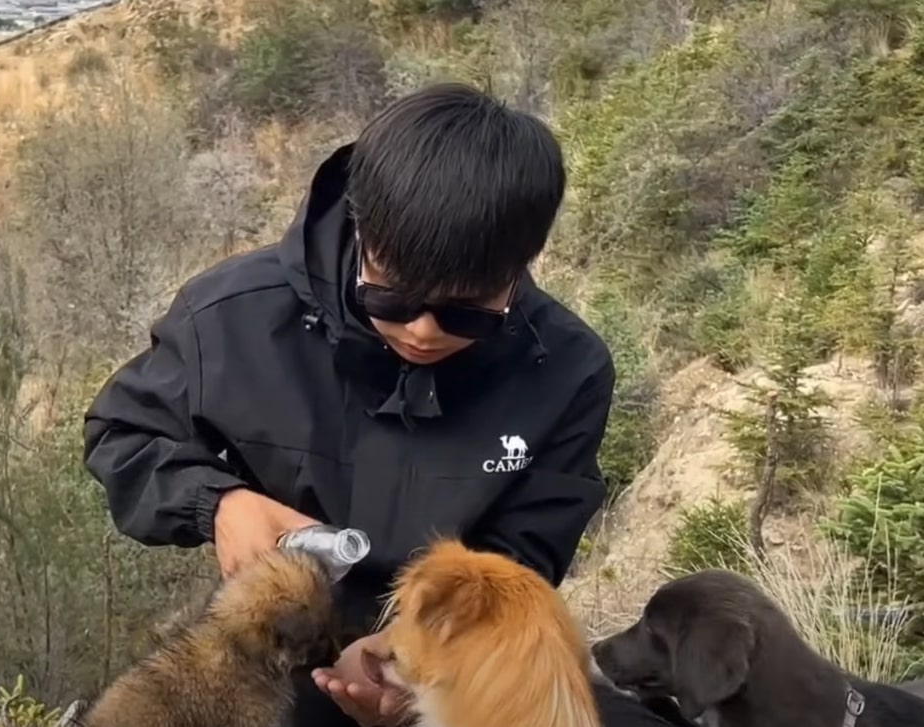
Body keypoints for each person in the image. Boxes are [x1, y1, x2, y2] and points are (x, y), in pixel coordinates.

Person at [83, 83, 678, 727]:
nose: (422, 330)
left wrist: (414, 662)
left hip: (449, 667)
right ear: (364, 232)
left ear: (520, 267)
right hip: (284, 659)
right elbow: (124, 434)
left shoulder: (566, 368)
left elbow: (522, 556)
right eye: (391, 299)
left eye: (464, 312)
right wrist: (218, 503)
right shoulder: (233, 318)